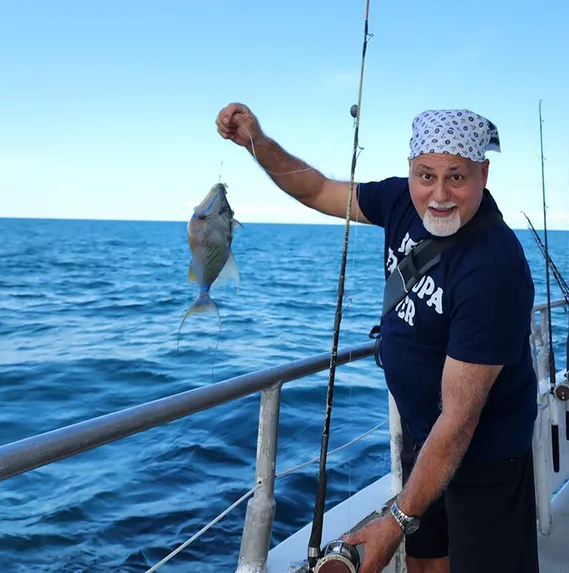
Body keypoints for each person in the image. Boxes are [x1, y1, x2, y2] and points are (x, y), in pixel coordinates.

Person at [216, 103, 539, 573]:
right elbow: (318, 188)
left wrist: (397, 518)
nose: (439, 194)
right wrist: (256, 142)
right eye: (426, 175)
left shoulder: (494, 267)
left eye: (457, 177)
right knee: (427, 562)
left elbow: (461, 420)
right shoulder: (397, 201)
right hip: (422, 433)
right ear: (410, 170)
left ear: (483, 174)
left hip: (483, 456)